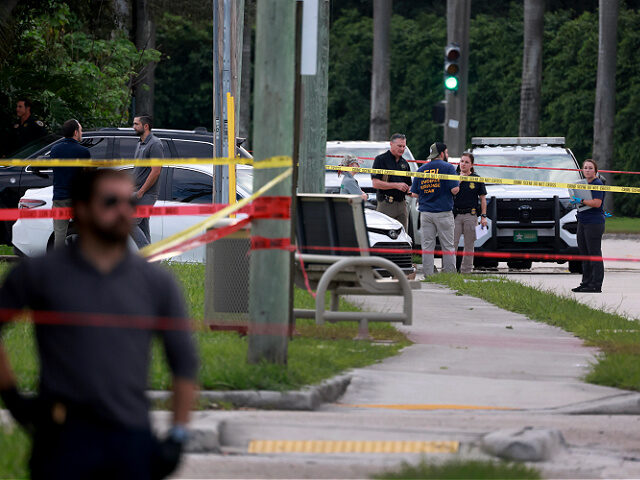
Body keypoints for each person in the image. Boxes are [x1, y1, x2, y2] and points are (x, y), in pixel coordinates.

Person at [0, 169, 198, 479]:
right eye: (110, 202)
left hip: (131, 438)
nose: (123, 212)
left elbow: (184, 362)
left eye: (129, 204)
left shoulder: (156, 282)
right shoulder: (40, 274)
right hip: (62, 441)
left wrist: (178, 435)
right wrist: (13, 398)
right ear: (81, 209)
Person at [410, 142, 459, 276]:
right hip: (443, 213)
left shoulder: (421, 170)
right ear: (442, 153)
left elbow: (414, 194)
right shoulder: (448, 168)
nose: (447, 155)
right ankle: (449, 274)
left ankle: (428, 274)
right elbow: (455, 190)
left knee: (427, 246)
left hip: (425, 213)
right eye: (447, 153)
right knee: (448, 246)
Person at [51, 119, 90, 248]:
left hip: (59, 197)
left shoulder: (55, 150)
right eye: (81, 130)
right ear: (75, 132)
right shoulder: (83, 152)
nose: (82, 133)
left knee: (60, 234)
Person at [571, 159, 606, 293]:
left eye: (590, 168)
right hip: (582, 221)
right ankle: (585, 283)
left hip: (594, 223)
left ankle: (596, 284)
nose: (587, 170)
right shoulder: (583, 184)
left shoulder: (597, 183)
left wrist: (582, 200)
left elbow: (597, 203)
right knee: (584, 254)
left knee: (594, 253)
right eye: (585, 168)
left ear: (595, 171)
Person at [131, 114, 164, 248]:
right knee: (143, 226)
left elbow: (156, 171)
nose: (133, 127)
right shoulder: (140, 143)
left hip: (147, 194)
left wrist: (141, 192)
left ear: (146, 126)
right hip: (137, 192)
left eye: (136, 124)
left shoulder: (155, 144)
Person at [453, 152, 487, 273]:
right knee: (452, 245)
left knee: (469, 246)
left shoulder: (477, 179)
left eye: (466, 162)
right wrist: (458, 182)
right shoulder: (454, 176)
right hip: (455, 215)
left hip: (470, 215)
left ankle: (466, 272)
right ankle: (450, 271)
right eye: (462, 161)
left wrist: (483, 216)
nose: (463, 164)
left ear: (472, 164)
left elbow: (483, 199)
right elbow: (450, 193)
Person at [371, 133, 412, 230]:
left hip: (402, 205)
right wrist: (396, 185)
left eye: (404, 146)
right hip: (386, 204)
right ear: (391, 144)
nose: (402, 149)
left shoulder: (405, 164)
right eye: (399, 146)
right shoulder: (380, 160)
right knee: (384, 235)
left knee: (403, 236)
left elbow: (409, 186)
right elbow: (375, 183)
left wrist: (414, 191)